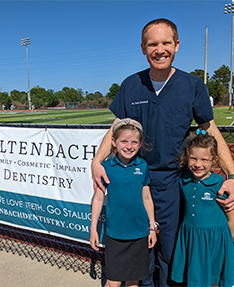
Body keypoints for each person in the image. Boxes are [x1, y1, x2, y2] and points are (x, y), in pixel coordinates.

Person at [91, 18, 234, 287]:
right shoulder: (131, 85)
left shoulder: (192, 86)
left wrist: (233, 175)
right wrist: (97, 161)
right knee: (140, 249)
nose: (160, 49)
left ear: (177, 45)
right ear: (143, 48)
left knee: (169, 249)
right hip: (136, 180)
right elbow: (116, 129)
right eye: (153, 44)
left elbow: (211, 130)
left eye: (166, 43)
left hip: (171, 183)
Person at [90, 118, 157, 287]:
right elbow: (98, 199)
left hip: (139, 234)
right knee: (113, 282)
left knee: (133, 281)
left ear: (140, 144)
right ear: (114, 142)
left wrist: (152, 227)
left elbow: (147, 198)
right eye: (124, 141)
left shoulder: (142, 166)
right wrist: (93, 229)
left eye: (134, 142)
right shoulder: (106, 167)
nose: (129, 146)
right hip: (116, 235)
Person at [171, 129, 234, 286]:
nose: (198, 164)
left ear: (214, 161)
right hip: (191, 238)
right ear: (187, 158)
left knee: (213, 279)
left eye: (204, 160)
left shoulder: (220, 184)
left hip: (215, 241)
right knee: (194, 279)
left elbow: (231, 216)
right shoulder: (183, 181)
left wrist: (225, 242)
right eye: (193, 158)